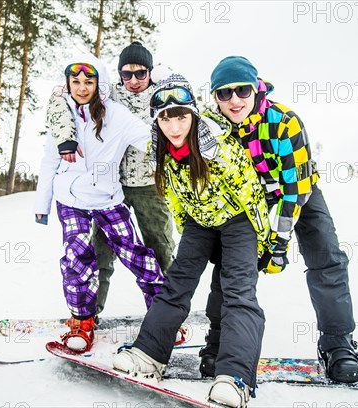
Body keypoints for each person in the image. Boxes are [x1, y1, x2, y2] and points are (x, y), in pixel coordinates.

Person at [111, 74, 271, 408]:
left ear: (193, 115)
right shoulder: (162, 154)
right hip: (200, 222)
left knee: (238, 291)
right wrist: (191, 239)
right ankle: (149, 355)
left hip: (240, 220)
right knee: (177, 281)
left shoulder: (218, 147)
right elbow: (175, 201)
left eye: (181, 116)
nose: (174, 125)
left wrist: (262, 242)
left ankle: (235, 377)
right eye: (166, 118)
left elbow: (251, 195)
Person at [201, 56, 358, 383]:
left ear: (256, 88)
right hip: (251, 200)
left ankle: (337, 343)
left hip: (297, 192)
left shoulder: (284, 122)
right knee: (232, 264)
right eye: (224, 93)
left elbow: (294, 192)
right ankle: (219, 342)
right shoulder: (213, 126)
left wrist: (278, 243)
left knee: (326, 257)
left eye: (242, 90)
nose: (234, 100)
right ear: (215, 96)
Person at [34, 53, 164, 353]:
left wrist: (187, 143)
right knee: (77, 256)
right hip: (71, 198)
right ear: (67, 83)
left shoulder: (116, 115)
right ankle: (82, 321)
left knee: (136, 254)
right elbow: (49, 160)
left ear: (99, 83)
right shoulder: (62, 116)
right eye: (76, 81)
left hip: (108, 198)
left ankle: (162, 317)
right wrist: (42, 202)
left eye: (89, 81)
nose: (82, 87)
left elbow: (149, 139)